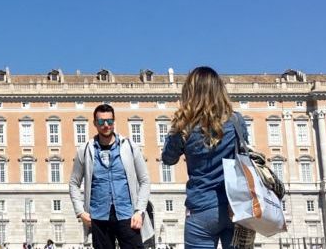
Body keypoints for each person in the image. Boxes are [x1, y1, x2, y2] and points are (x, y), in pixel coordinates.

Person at [161, 66, 246, 249]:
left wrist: (176, 127)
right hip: (236, 206)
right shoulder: (236, 121)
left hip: (201, 208)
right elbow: (244, 153)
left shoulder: (184, 127)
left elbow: (168, 159)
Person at [69, 103, 154, 249]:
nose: (106, 125)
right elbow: (73, 183)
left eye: (109, 121)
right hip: (98, 217)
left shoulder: (130, 146)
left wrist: (139, 211)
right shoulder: (85, 150)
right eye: (101, 121)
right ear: (95, 123)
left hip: (127, 215)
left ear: (114, 121)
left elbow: (145, 180)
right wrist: (80, 212)